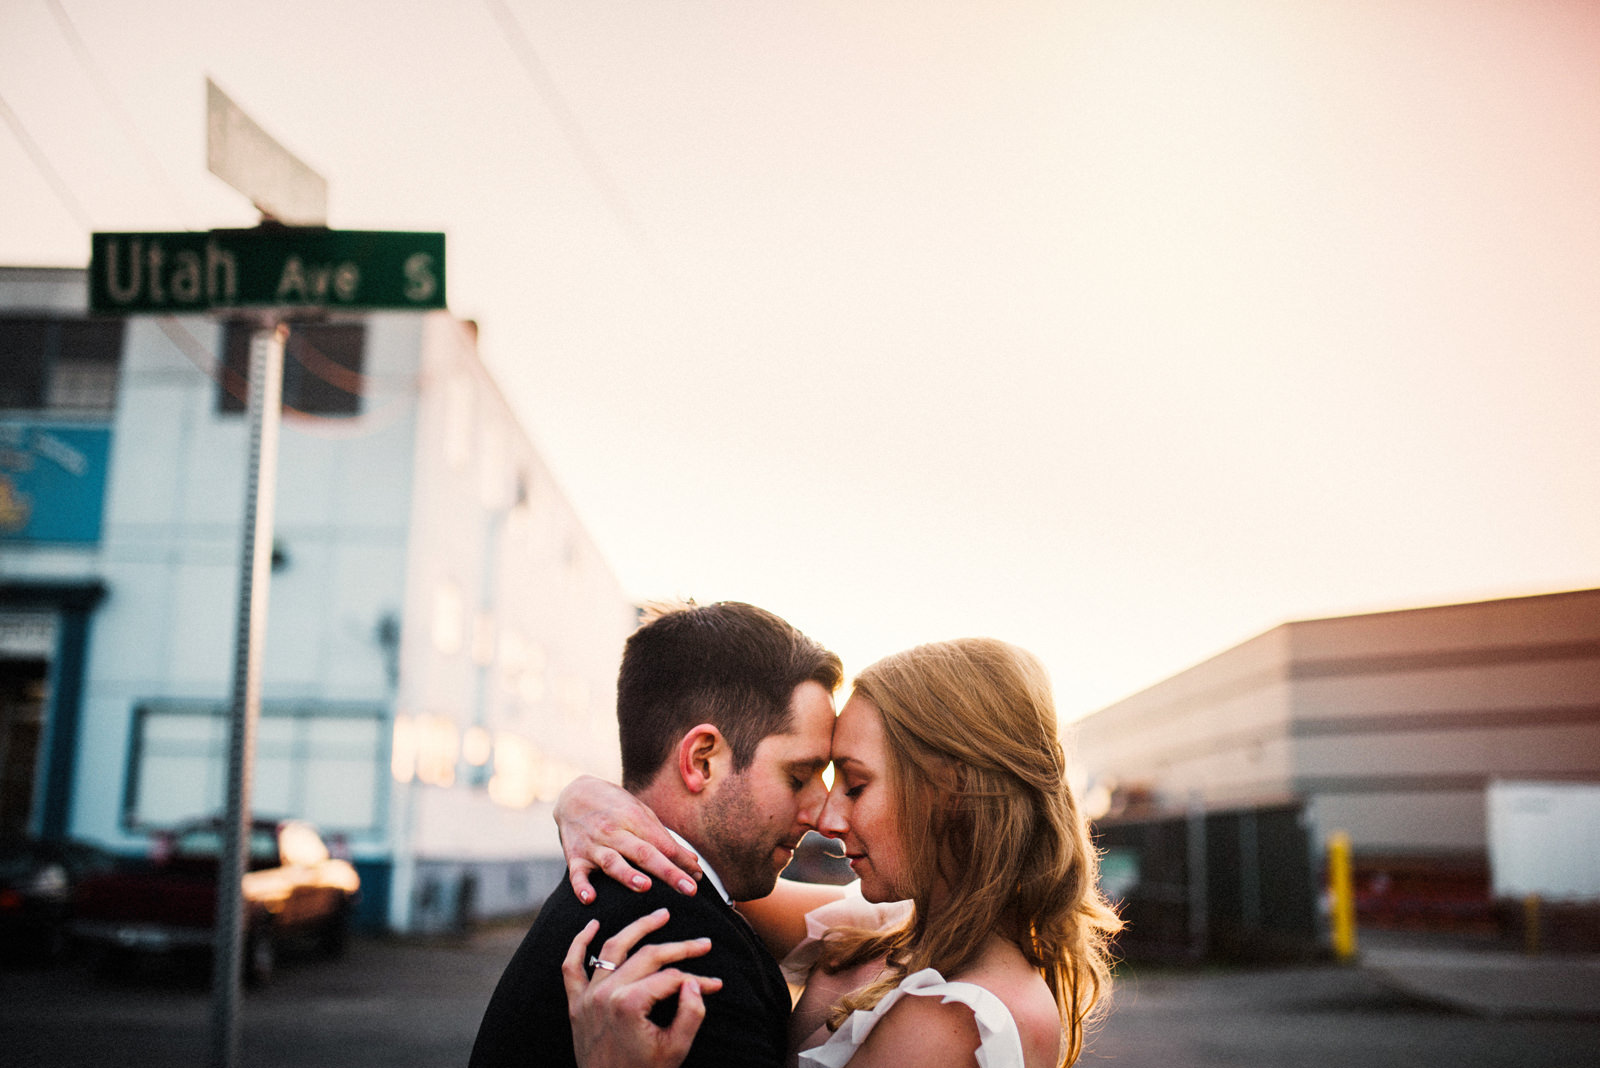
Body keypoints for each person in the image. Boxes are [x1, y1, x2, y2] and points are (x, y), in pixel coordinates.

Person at [558, 637, 1124, 1068]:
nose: (828, 819)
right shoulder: (890, 926)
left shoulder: (961, 1017)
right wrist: (585, 801)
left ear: (949, 791)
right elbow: (698, 870)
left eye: (854, 785)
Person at [468, 601, 844, 1068]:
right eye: (800, 775)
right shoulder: (684, 952)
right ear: (701, 760)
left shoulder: (620, 900)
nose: (822, 812)